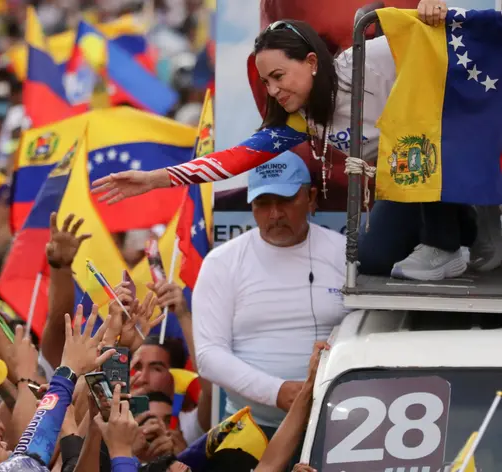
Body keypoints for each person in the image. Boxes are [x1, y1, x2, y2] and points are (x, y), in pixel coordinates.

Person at [92, 0, 480, 282]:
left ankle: (454, 236)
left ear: (312, 62)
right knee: (374, 260)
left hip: (462, 146)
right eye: (266, 82)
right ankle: (470, 229)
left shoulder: (371, 57)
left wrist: (433, 14)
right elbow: (233, 159)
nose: (273, 90)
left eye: (279, 75)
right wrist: (155, 178)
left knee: (424, 134)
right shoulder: (300, 120)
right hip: (415, 183)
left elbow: (444, 52)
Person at [191, 152, 348, 435]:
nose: (275, 214)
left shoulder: (344, 254)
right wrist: (278, 392)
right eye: (263, 204)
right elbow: (208, 355)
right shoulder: (222, 262)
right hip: (249, 429)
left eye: (285, 201)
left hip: (335, 424)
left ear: (311, 198)